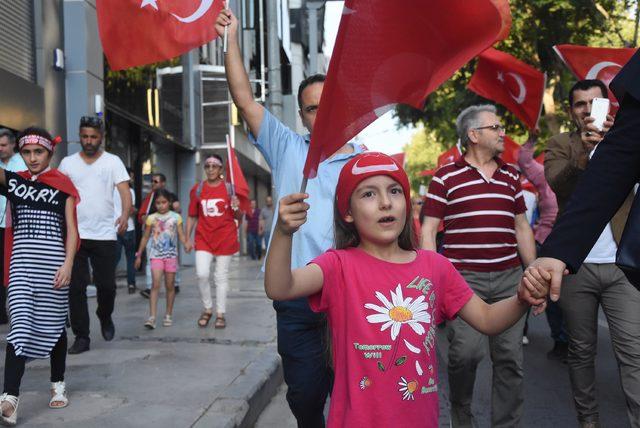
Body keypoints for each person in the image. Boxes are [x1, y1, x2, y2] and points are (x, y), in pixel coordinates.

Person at [264, 152, 547, 427]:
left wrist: (521, 298)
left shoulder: (435, 266)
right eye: (368, 194)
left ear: (407, 204)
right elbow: (279, 287)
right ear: (347, 213)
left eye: (395, 191)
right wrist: (283, 232)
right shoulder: (337, 265)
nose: (386, 202)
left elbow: (486, 318)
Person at [217, 9, 365, 426]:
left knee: (353, 391)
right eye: (311, 109)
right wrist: (229, 40)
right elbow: (244, 99)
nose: (321, 114)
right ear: (301, 116)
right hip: (296, 294)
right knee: (303, 394)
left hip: (350, 294)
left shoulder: (367, 164)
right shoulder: (286, 147)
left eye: (327, 105)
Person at [421, 104, 536, 427]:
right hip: (462, 282)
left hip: (509, 279)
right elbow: (429, 229)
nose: (503, 133)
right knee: (465, 355)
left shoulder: (511, 175)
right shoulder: (445, 177)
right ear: (473, 135)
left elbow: (522, 227)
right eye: (495, 128)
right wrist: (433, 278)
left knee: (510, 360)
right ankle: (461, 414)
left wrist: (534, 272)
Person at [534, 78, 640, 427]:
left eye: (596, 103)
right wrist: (585, 150)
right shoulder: (561, 143)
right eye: (581, 104)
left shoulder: (626, 136)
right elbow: (558, 185)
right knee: (581, 350)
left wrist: (616, 143)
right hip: (575, 267)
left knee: (634, 353)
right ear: (571, 111)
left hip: (621, 266)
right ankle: (588, 421)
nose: (588, 110)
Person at [0, 127, 79, 425]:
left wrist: (68, 264)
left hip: (53, 268)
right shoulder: (14, 182)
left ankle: (57, 383)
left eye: (39, 152)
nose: (32, 158)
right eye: (27, 152)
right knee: (18, 326)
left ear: (50, 153)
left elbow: (72, 230)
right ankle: (10, 398)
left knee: (55, 326)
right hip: (20, 268)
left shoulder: (63, 186)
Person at [58, 116, 132, 355]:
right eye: (84, 136)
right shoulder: (68, 163)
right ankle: (82, 336)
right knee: (76, 287)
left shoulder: (113, 162)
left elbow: (124, 191)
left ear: (101, 137)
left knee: (107, 286)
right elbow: (58, 193)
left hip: (105, 234)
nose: (88, 141)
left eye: (93, 137)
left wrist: (125, 215)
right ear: (80, 136)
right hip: (75, 234)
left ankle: (104, 314)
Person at [517, 133, 567, 360]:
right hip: (545, 243)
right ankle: (557, 339)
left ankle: (569, 339)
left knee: (569, 298)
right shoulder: (546, 177)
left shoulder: (590, 171)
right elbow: (525, 160)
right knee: (535, 288)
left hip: (576, 246)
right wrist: (533, 137)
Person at [186, 155, 242, 329]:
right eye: (207, 165)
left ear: (221, 170)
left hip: (225, 237)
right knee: (202, 274)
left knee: (221, 276)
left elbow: (239, 216)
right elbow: (192, 215)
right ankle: (207, 308)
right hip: (203, 238)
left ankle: (220, 313)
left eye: (214, 166)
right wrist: (187, 237)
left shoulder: (229, 189)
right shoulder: (197, 189)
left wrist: (236, 206)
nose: (210, 169)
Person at [135, 189, 191, 329]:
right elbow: (145, 237)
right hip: (156, 256)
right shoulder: (151, 218)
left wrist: (186, 243)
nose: (161, 205)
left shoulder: (176, 217)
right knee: (155, 285)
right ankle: (152, 317)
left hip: (171, 256)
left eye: (164, 202)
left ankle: (168, 314)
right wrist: (139, 254)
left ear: (169, 202)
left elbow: (181, 234)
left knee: (170, 286)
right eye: (158, 203)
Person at [137, 173, 181, 298]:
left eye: (155, 181)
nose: (153, 184)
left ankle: (175, 283)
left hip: (168, 234)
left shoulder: (171, 196)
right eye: (152, 181)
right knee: (151, 260)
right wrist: (144, 218)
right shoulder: (149, 198)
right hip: (152, 234)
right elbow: (142, 215)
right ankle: (150, 287)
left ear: (163, 183)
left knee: (171, 258)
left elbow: (178, 211)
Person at [0, 129, 26, 325]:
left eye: (3, 145)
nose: (0, 149)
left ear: (12, 145)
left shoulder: (23, 163)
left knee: (14, 268)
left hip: (16, 225)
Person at [114, 167, 137, 294]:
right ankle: (131, 284)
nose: (132, 179)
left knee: (114, 259)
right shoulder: (130, 191)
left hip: (114, 228)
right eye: (131, 176)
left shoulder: (111, 190)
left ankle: (111, 283)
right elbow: (131, 209)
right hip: (128, 227)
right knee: (130, 258)